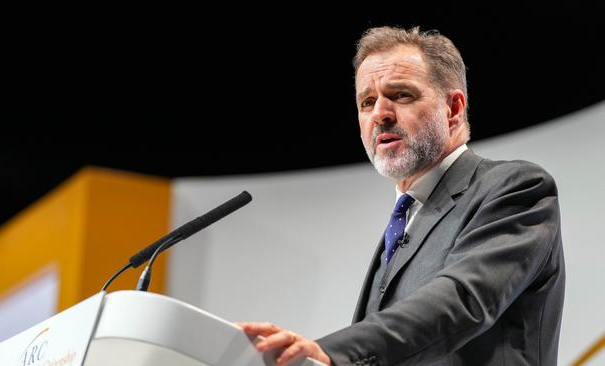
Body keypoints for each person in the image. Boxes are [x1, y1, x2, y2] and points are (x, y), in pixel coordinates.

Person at [238, 25, 564, 366]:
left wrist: (332, 352)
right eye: (367, 102)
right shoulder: (406, 220)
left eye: (401, 95)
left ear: (453, 108)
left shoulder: (516, 187)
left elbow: (462, 299)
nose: (379, 113)